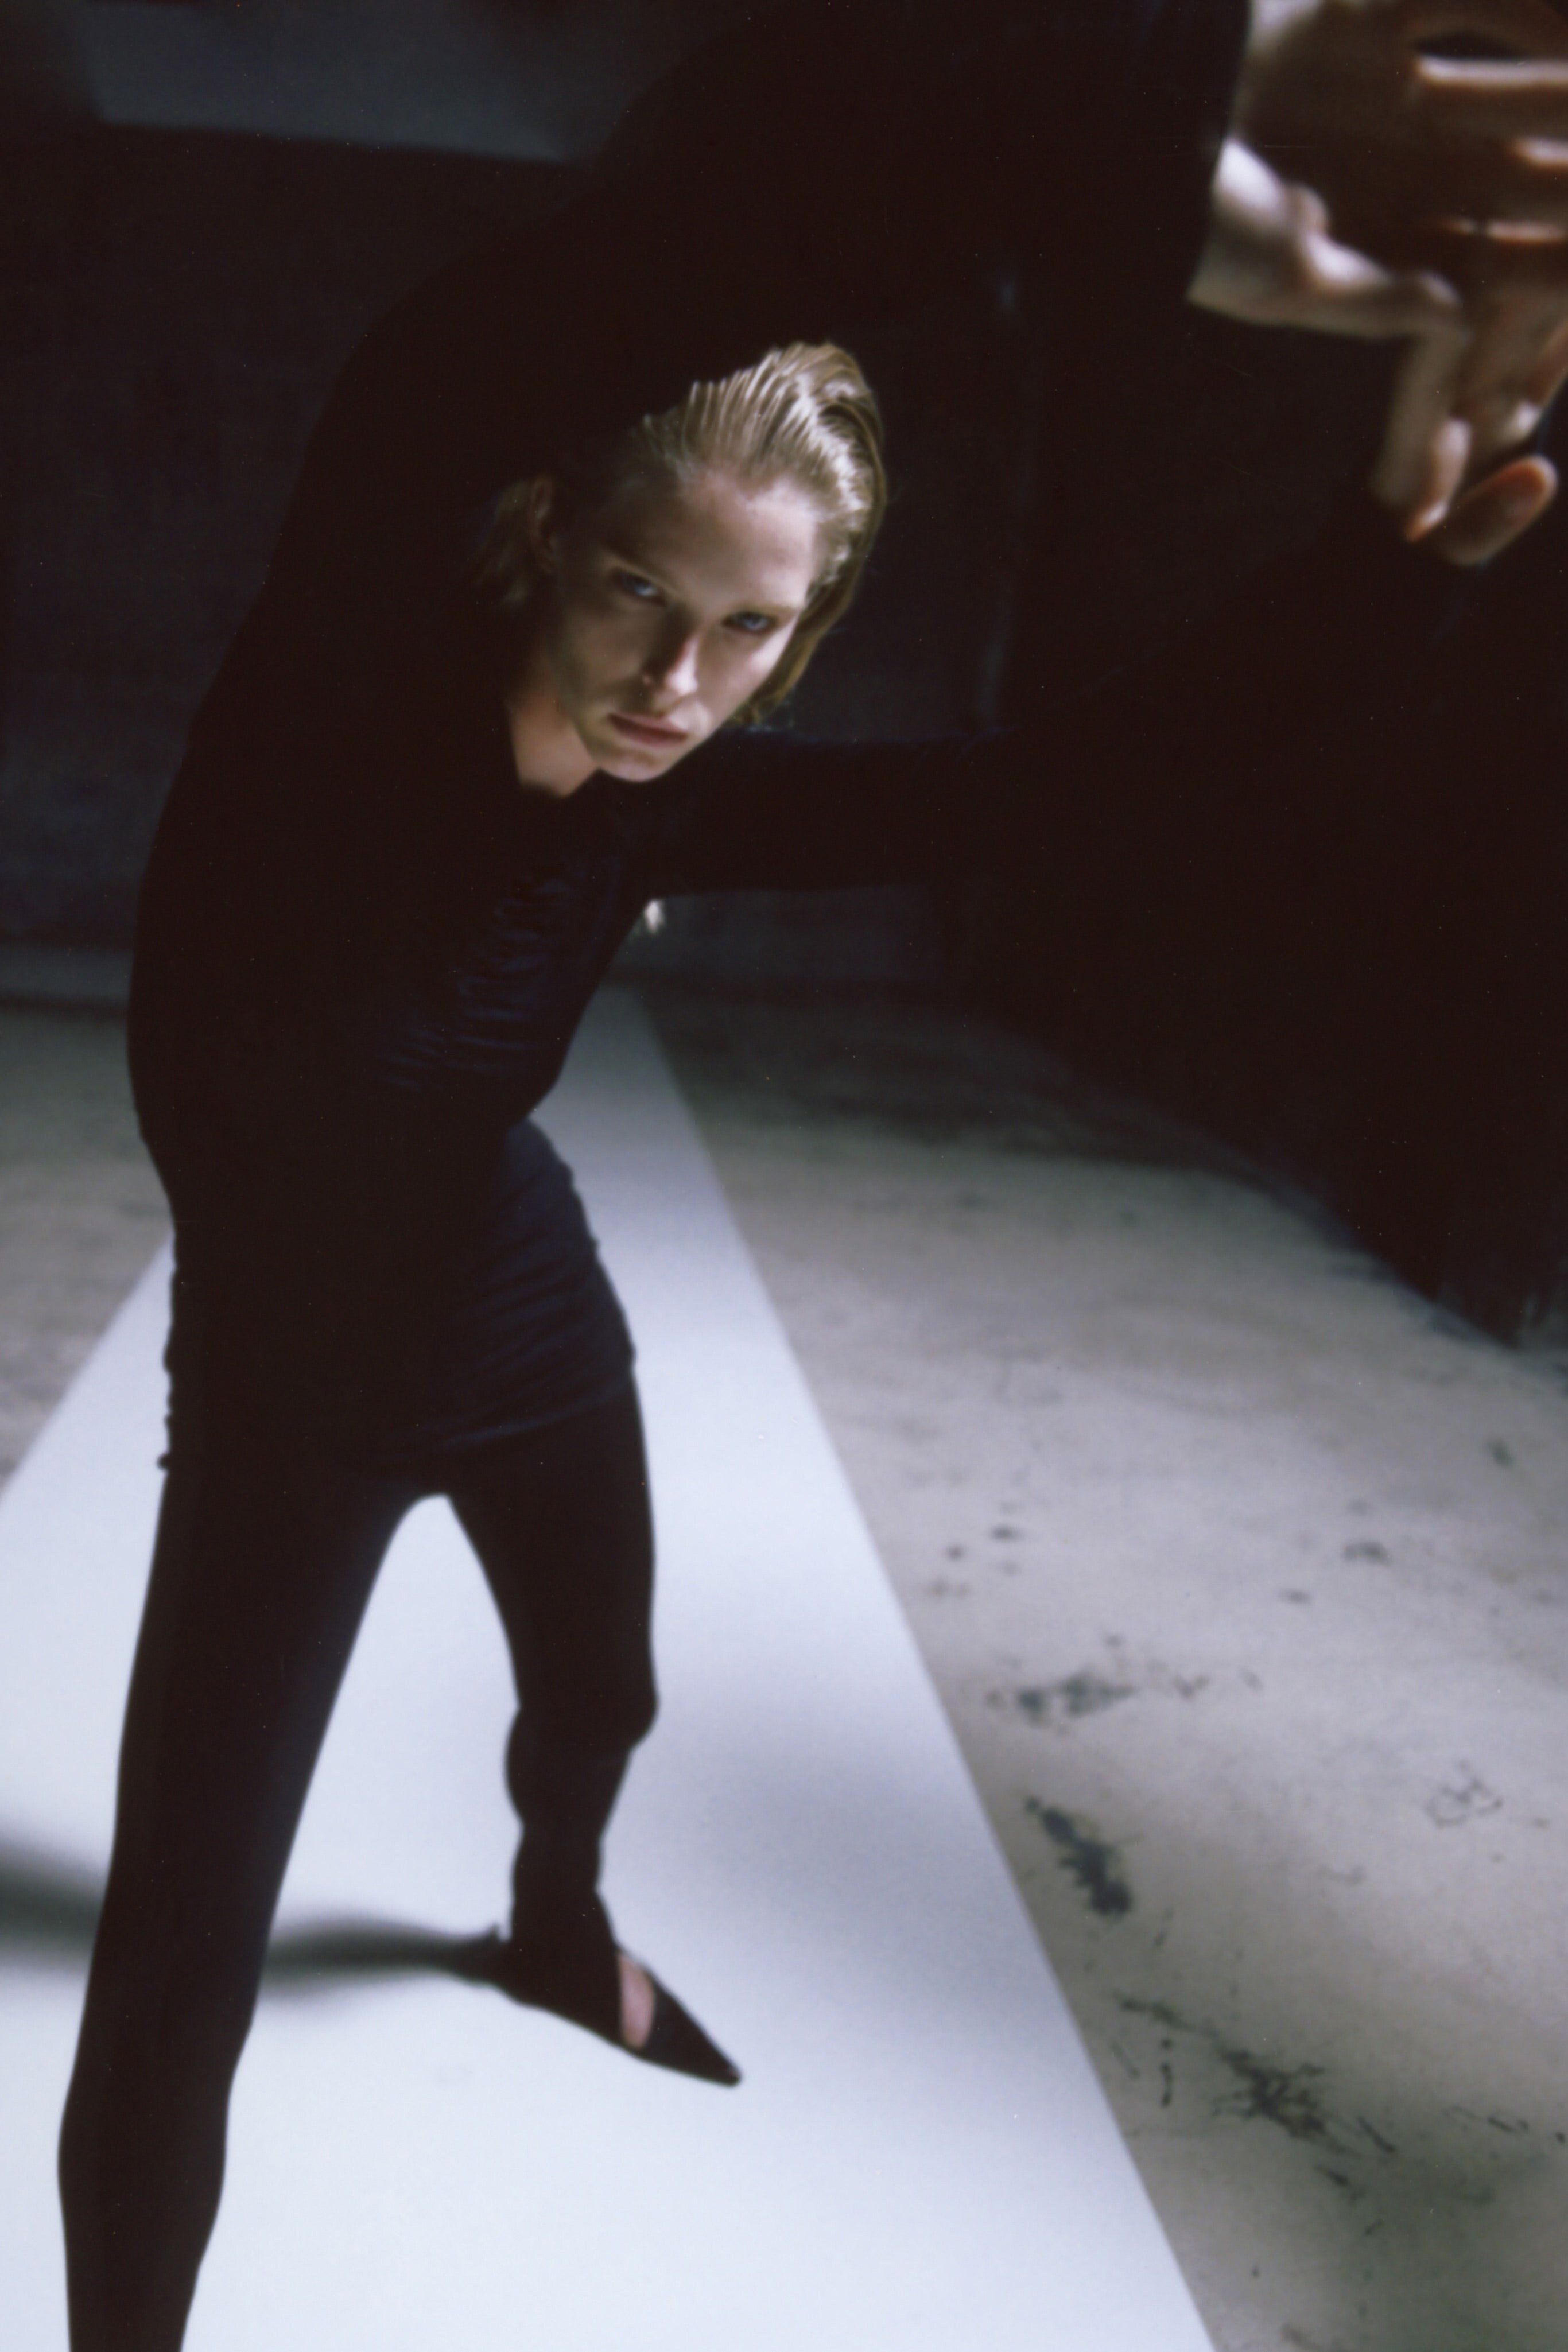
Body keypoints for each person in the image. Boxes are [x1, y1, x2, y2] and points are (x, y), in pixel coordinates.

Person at [52, 2, 1568, 2346]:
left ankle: (555, 1924)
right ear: (544, 530)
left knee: (606, 1691)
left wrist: (1388, 565)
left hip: (513, 1284)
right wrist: (1143, 104)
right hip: (290, 1383)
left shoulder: (665, 797)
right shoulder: (344, 682)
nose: (680, 678)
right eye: (640, 593)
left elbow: (1057, 787)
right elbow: (619, 265)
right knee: (177, 1965)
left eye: (751, 630)